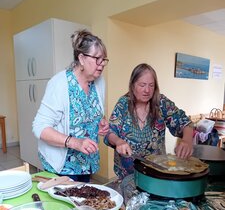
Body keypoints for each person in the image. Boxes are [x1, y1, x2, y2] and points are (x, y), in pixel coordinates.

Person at [33, 29, 109, 182]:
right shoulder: (59, 84)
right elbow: (39, 127)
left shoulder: (99, 82)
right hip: (62, 165)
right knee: (62, 205)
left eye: (104, 60)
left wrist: (101, 123)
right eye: (97, 59)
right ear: (81, 58)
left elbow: (95, 112)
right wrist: (75, 142)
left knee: (81, 204)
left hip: (86, 163)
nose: (101, 65)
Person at [104, 63, 193, 179]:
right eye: (142, 85)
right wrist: (118, 141)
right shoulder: (123, 104)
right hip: (127, 175)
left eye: (151, 85)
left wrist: (187, 140)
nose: (147, 90)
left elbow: (185, 122)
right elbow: (110, 132)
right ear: (132, 85)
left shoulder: (161, 103)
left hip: (156, 173)